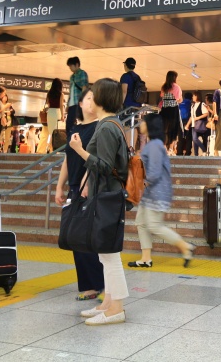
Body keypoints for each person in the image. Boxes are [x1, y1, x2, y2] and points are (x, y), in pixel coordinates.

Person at [69, 78, 129, 326]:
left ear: (102, 99)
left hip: (106, 196)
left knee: (109, 254)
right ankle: (108, 303)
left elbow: (104, 167)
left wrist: (80, 150)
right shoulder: (112, 124)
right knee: (105, 254)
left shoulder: (105, 128)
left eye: (93, 96)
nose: (88, 100)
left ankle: (116, 308)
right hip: (108, 196)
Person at [55, 86, 105, 301]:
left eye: (96, 99)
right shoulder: (75, 128)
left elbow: (97, 159)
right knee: (78, 237)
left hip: (92, 189)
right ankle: (89, 285)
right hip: (75, 188)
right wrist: (59, 186)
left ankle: (101, 285)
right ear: (81, 104)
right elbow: (68, 158)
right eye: (89, 98)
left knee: (91, 238)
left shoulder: (99, 128)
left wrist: (88, 183)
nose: (92, 102)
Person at [128, 114, 195, 268]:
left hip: (157, 192)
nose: (140, 123)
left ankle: (186, 247)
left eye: (143, 121)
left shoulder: (155, 145)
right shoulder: (154, 144)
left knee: (154, 225)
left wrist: (141, 182)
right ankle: (146, 258)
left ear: (150, 125)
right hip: (150, 193)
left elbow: (154, 172)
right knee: (141, 223)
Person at [158, 71, 183, 155]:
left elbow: (162, 97)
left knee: (164, 128)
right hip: (173, 110)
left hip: (165, 109)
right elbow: (179, 99)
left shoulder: (163, 87)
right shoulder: (176, 87)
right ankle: (171, 148)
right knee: (173, 128)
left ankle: (164, 147)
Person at [66, 57, 88, 136]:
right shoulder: (72, 77)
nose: (70, 68)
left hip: (78, 103)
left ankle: (74, 140)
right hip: (72, 104)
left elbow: (84, 88)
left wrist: (82, 102)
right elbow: (71, 91)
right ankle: (70, 141)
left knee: (75, 123)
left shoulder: (82, 73)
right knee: (69, 124)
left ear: (77, 65)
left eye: (71, 66)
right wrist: (68, 104)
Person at [188, 91, 210, 156]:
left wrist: (197, 118)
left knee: (195, 139)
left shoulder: (202, 104)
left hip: (200, 124)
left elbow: (206, 113)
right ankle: (196, 154)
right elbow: (192, 116)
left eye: (194, 96)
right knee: (194, 140)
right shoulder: (193, 105)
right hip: (194, 124)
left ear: (197, 96)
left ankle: (204, 150)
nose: (192, 97)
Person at [45, 78, 65, 152]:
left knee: (51, 132)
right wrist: (63, 116)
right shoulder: (61, 94)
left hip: (50, 112)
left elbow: (48, 103)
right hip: (57, 112)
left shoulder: (49, 93)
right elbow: (61, 105)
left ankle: (49, 148)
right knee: (57, 132)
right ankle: (56, 148)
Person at [176, 91, 193, 156]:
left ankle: (179, 152)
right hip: (187, 121)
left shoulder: (180, 103)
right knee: (188, 138)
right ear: (191, 98)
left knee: (180, 137)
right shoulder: (190, 103)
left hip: (179, 122)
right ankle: (187, 152)